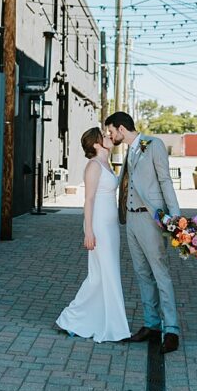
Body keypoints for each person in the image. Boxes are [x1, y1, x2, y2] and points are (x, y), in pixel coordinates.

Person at [104, 110, 181, 355]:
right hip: (132, 220)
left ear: (121, 128)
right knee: (141, 273)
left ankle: (171, 329)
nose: (110, 135)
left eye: (110, 131)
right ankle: (151, 324)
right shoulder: (129, 152)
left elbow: (165, 181)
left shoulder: (154, 145)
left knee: (160, 273)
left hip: (152, 219)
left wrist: (176, 217)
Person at [55, 127, 131, 343]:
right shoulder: (94, 166)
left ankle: (74, 320)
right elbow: (88, 201)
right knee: (107, 274)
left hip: (111, 226)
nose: (109, 137)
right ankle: (117, 329)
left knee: (99, 276)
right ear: (96, 144)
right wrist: (88, 230)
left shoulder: (107, 164)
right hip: (98, 226)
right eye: (104, 136)